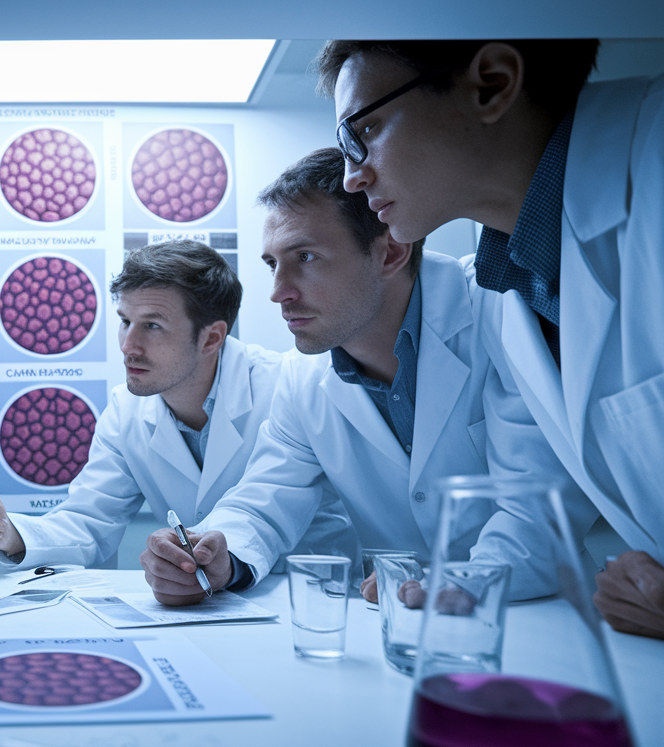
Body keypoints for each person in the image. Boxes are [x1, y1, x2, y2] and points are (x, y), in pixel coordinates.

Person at [141, 148, 599, 606]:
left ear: (390, 252)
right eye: (272, 264)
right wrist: (218, 554)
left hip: (539, 615)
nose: (279, 292)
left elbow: (537, 509)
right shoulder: (304, 379)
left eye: (305, 257)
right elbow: (266, 497)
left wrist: (457, 581)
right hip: (398, 623)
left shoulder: (499, 313)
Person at [317, 39, 664, 638]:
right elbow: (532, 498)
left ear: (492, 84)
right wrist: (459, 582)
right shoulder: (511, 281)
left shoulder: (656, 166)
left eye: (362, 132)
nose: (351, 177)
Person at [0, 240, 353, 580]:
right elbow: (90, 522)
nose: (129, 346)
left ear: (212, 337)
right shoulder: (125, 410)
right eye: (125, 321)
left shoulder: (287, 385)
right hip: (201, 599)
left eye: (152, 326)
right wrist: (11, 534)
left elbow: (265, 510)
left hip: (302, 595)